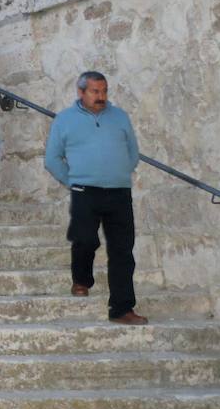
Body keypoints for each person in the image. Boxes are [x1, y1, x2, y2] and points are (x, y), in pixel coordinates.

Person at [44, 71, 147, 325]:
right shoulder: (65, 120)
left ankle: (122, 309)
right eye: (95, 91)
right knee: (85, 240)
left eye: (104, 91)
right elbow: (52, 159)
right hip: (84, 192)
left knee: (123, 251)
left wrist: (119, 172)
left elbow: (133, 153)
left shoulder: (120, 117)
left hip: (119, 192)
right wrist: (73, 181)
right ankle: (81, 279)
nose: (101, 97)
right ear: (81, 93)